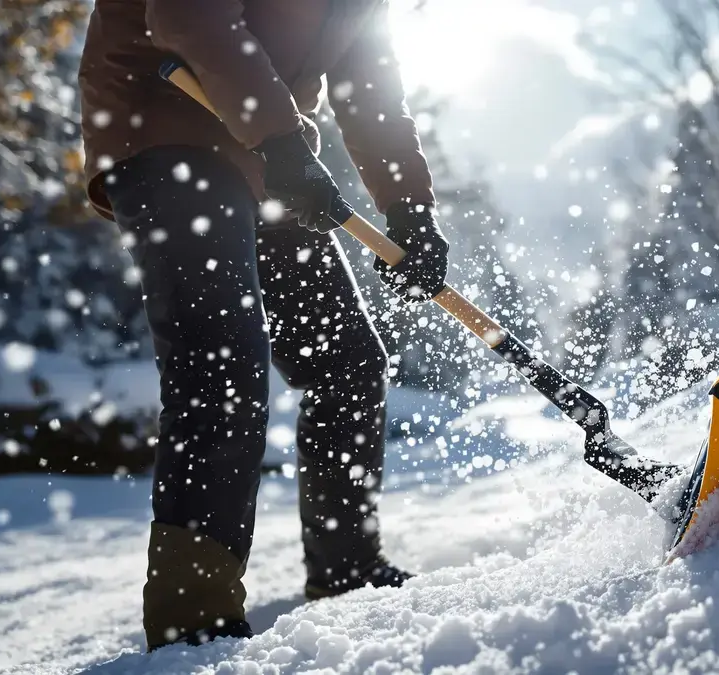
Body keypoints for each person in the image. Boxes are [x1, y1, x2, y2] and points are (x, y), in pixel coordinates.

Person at [77, 0, 450, 651]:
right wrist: (281, 138)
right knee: (220, 358)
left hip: (264, 154)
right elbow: (188, 17)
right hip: (166, 125)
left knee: (348, 361)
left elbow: (370, 88)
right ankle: (192, 614)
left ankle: (347, 565)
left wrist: (410, 210)